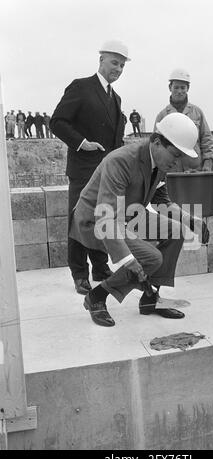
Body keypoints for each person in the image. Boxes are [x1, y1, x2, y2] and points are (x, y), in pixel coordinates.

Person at [69, 113, 210, 327]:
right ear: (156, 142)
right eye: (175, 154)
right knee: (152, 258)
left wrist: (192, 220)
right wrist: (128, 260)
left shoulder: (161, 163)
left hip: (127, 215)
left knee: (177, 231)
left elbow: (162, 201)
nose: (177, 162)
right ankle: (97, 296)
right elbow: (106, 216)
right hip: (95, 221)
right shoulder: (121, 161)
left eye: (181, 156)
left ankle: (150, 299)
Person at [50, 40, 129, 295]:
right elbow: (58, 122)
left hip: (106, 173)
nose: (117, 68)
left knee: (101, 218)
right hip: (84, 169)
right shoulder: (81, 87)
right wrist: (82, 143)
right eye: (114, 62)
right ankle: (79, 274)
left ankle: (99, 267)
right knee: (79, 220)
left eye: (122, 65)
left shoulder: (115, 98)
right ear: (101, 61)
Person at [154, 68, 213, 172]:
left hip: (195, 171)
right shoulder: (162, 116)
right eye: (176, 87)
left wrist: (208, 163)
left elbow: (206, 140)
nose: (179, 91)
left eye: (183, 88)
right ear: (170, 87)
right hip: (172, 173)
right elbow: (156, 146)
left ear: (188, 88)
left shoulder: (197, 113)